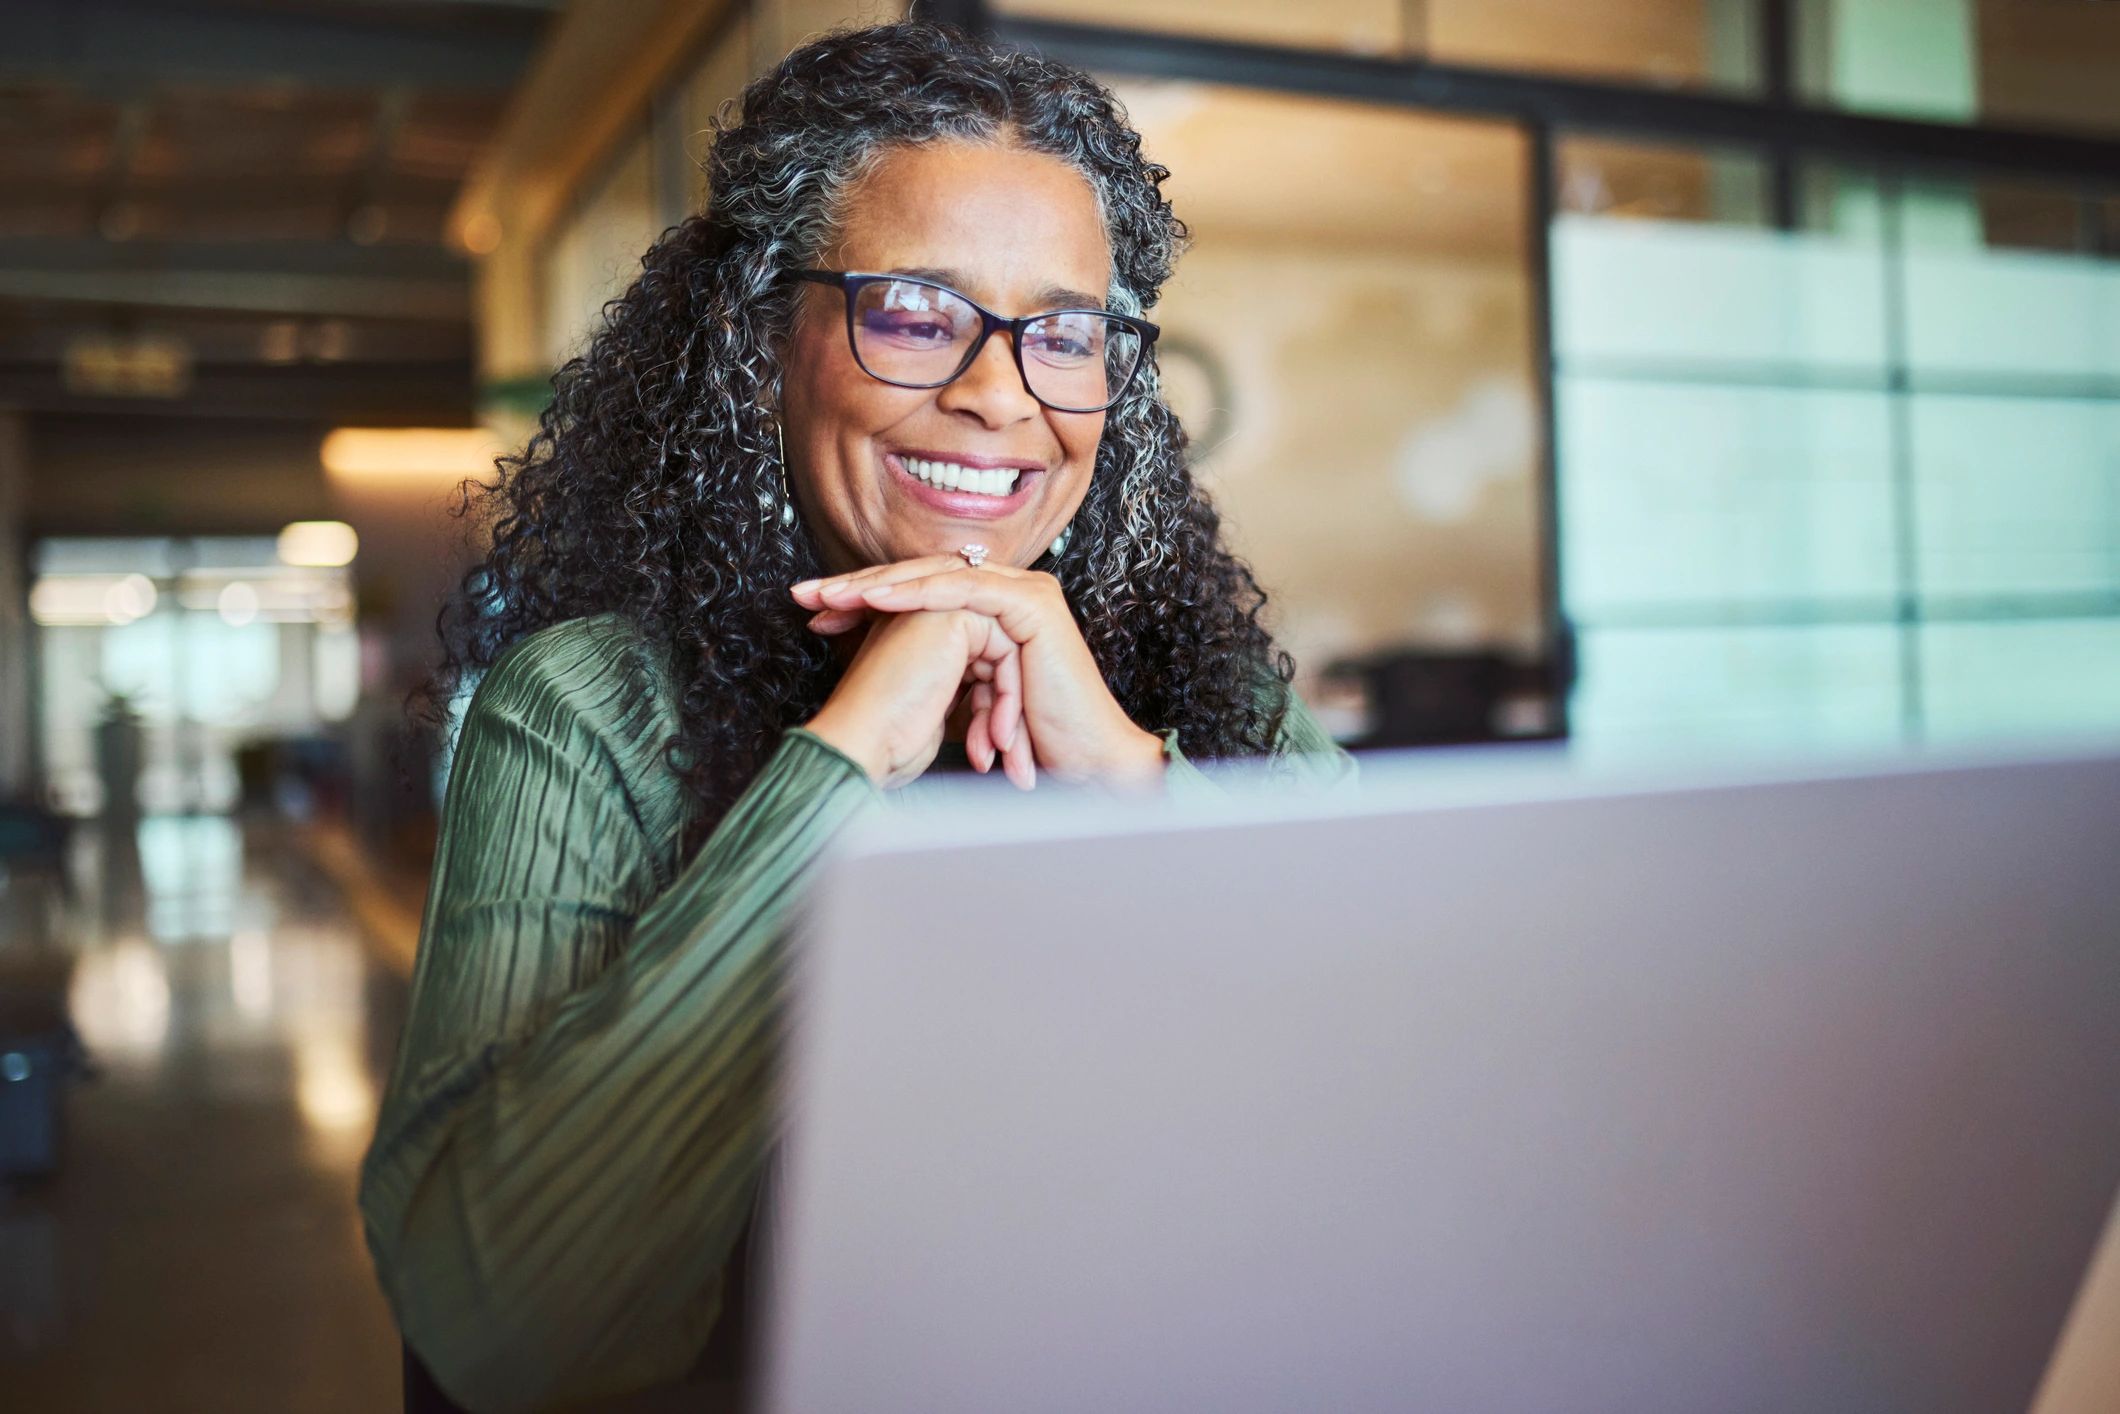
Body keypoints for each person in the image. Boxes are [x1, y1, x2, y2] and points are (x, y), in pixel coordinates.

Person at [359, 21, 1355, 1413]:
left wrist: (1134, 782)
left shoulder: (1216, 703)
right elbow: (509, 1329)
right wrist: (848, 761)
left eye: (1063, 333)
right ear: (767, 341)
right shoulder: (594, 712)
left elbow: (1434, 1105)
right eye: (911, 311)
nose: (1000, 392)